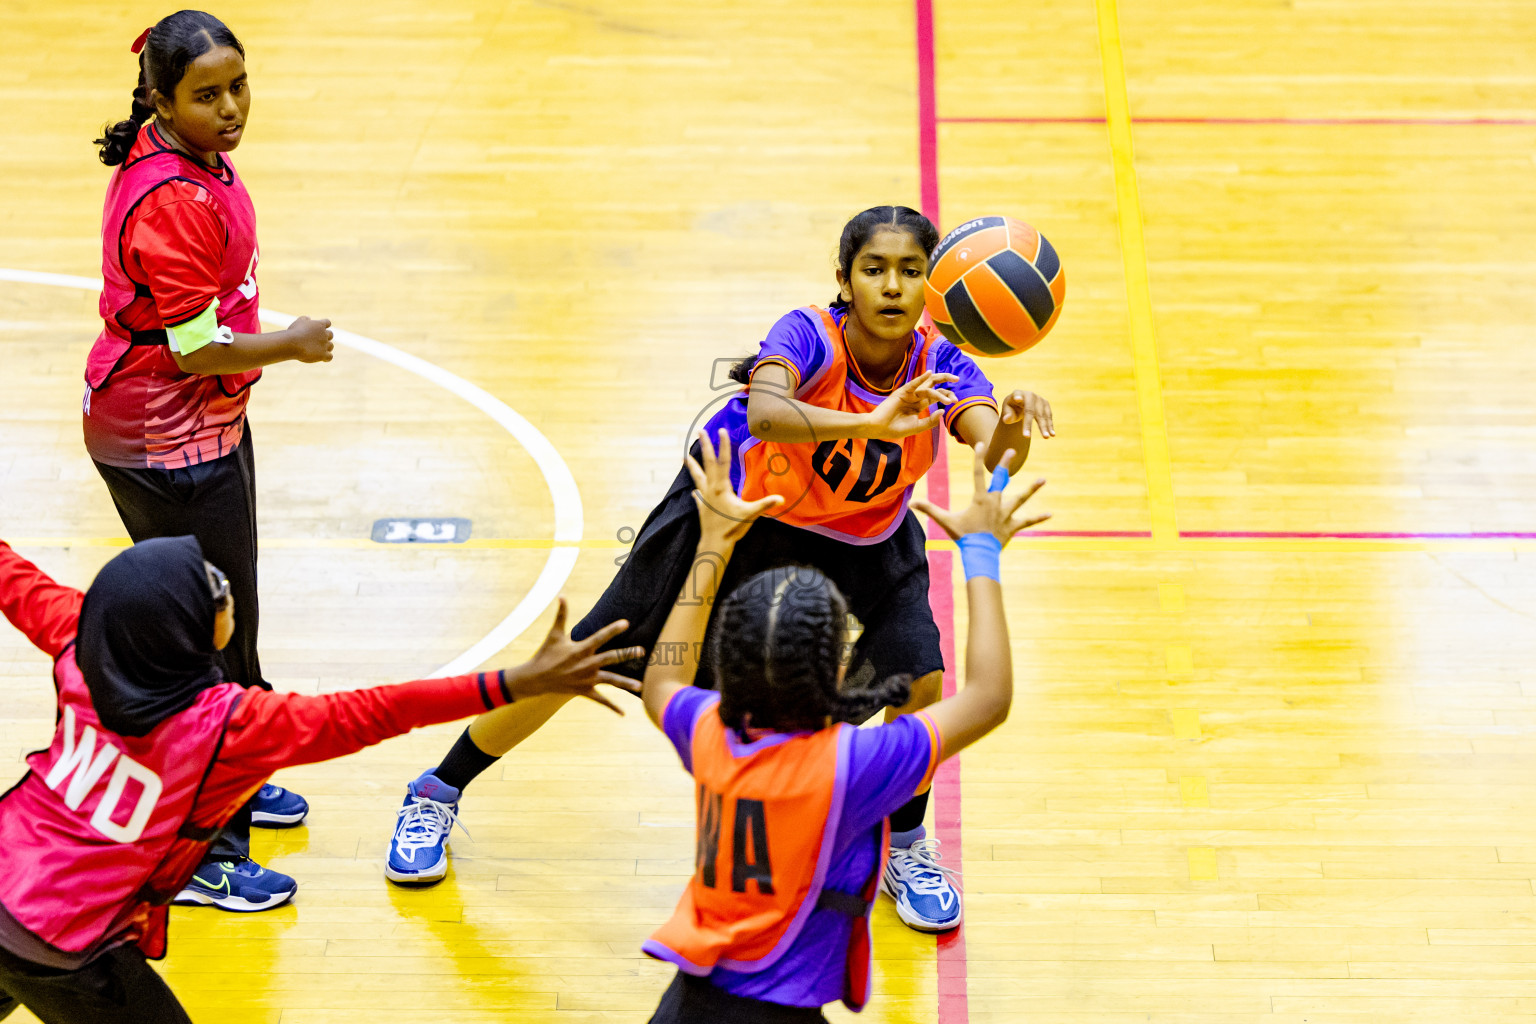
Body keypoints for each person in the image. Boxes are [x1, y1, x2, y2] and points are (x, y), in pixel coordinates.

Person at [383, 205, 1055, 932]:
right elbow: (767, 414)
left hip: (864, 534)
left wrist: (1013, 419)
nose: (892, 286)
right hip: (736, 507)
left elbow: (995, 454)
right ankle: (435, 792)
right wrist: (869, 422)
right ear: (844, 280)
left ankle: (907, 843)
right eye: (874, 269)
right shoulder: (807, 334)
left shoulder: (944, 362)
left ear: (935, 286)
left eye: (910, 271)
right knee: (589, 656)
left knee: (921, 678)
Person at [0, 534, 639, 1023]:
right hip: (64, 939)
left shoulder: (84, 635)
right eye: (214, 588)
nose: (226, 586)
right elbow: (381, 710)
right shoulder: (235, 729)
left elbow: (11, 576)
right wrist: (515, 683)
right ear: (188, 631)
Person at [637, 429, 1045, 1021]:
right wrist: (981, 555)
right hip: (779, 1011)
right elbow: (990, 697)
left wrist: (714, 544)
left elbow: (663, 682)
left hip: (689, 1003)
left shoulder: (708, 732)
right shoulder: (851, 766)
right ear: (837, 667)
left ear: (729, 656)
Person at [85, 10, 336, 906]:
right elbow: (194, 347)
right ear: (159, 99)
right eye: (206, 95)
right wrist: (291, 343)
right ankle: (202, 852)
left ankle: (241, 765)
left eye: (238, 87)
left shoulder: (197, 160)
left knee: (239, 613)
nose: (230, 109)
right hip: (162, 436)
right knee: (205, 639)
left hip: (204, 426)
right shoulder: (171, 198)